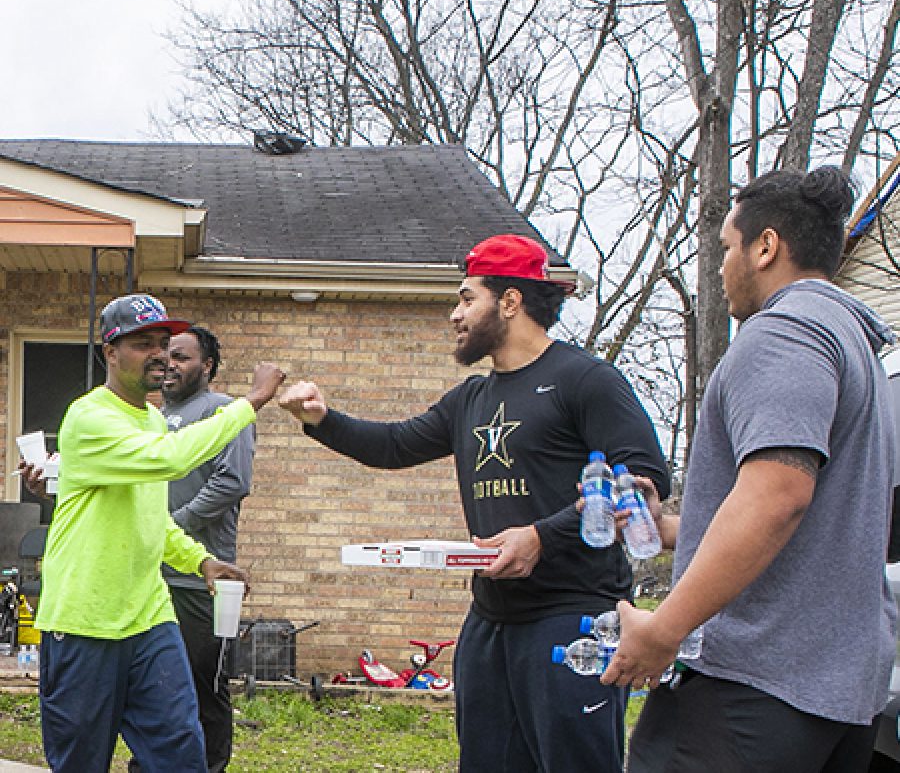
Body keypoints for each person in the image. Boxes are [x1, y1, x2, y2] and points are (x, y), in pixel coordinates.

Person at [279, 233, 670, 773]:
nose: (454, 314)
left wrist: (541, 536)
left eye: (467, 298)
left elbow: (645, 482)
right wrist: (322, 419)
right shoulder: (472, 399)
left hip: (572, 618)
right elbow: (394, 445)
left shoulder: (586, 381)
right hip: (490, 622)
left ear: (510, 301)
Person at [601, 167, 898, 772]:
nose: (719, 267)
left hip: (752, 690)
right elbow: (824, 518)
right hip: (836, 696)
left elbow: (777, 497)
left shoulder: (786, 333)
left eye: (727, 248)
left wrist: (666, 628)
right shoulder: (856, 348)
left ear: (766, 247)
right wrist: (675, 530)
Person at [20, 294, 284, 773]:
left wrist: (200, 560)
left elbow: (152, 517)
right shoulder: (89, 416)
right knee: (80, 762)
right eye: (143, 344)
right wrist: (252, 401)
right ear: (111, 351)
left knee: (180, 755)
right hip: (85, 622)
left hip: (148, 617)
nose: (159, 354)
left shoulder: (152, 418)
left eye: (163, 344)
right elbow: (173, 459)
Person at [128, 326, 255, 773]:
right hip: (149, 579)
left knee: (205, 685)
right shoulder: (149, 417)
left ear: (208, 366)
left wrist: (166, 529)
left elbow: (231, 481)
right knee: (150, 687)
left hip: (202, 581)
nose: (169, 364)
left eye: (181, 356)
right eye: (166, 355)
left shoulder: (223, 412)